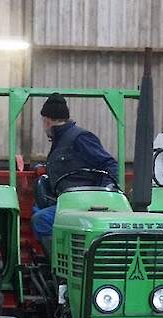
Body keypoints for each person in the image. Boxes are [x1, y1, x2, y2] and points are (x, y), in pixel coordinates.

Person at [32, 93, 118, 255]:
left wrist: (107, 189)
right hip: (66, 201)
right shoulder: (61, 141)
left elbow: (109, 164)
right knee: (37, 209)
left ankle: (62, 268)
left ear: (47, 120)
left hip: (83, 204)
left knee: (41, 220)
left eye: (43, 122)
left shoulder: (80, 138)